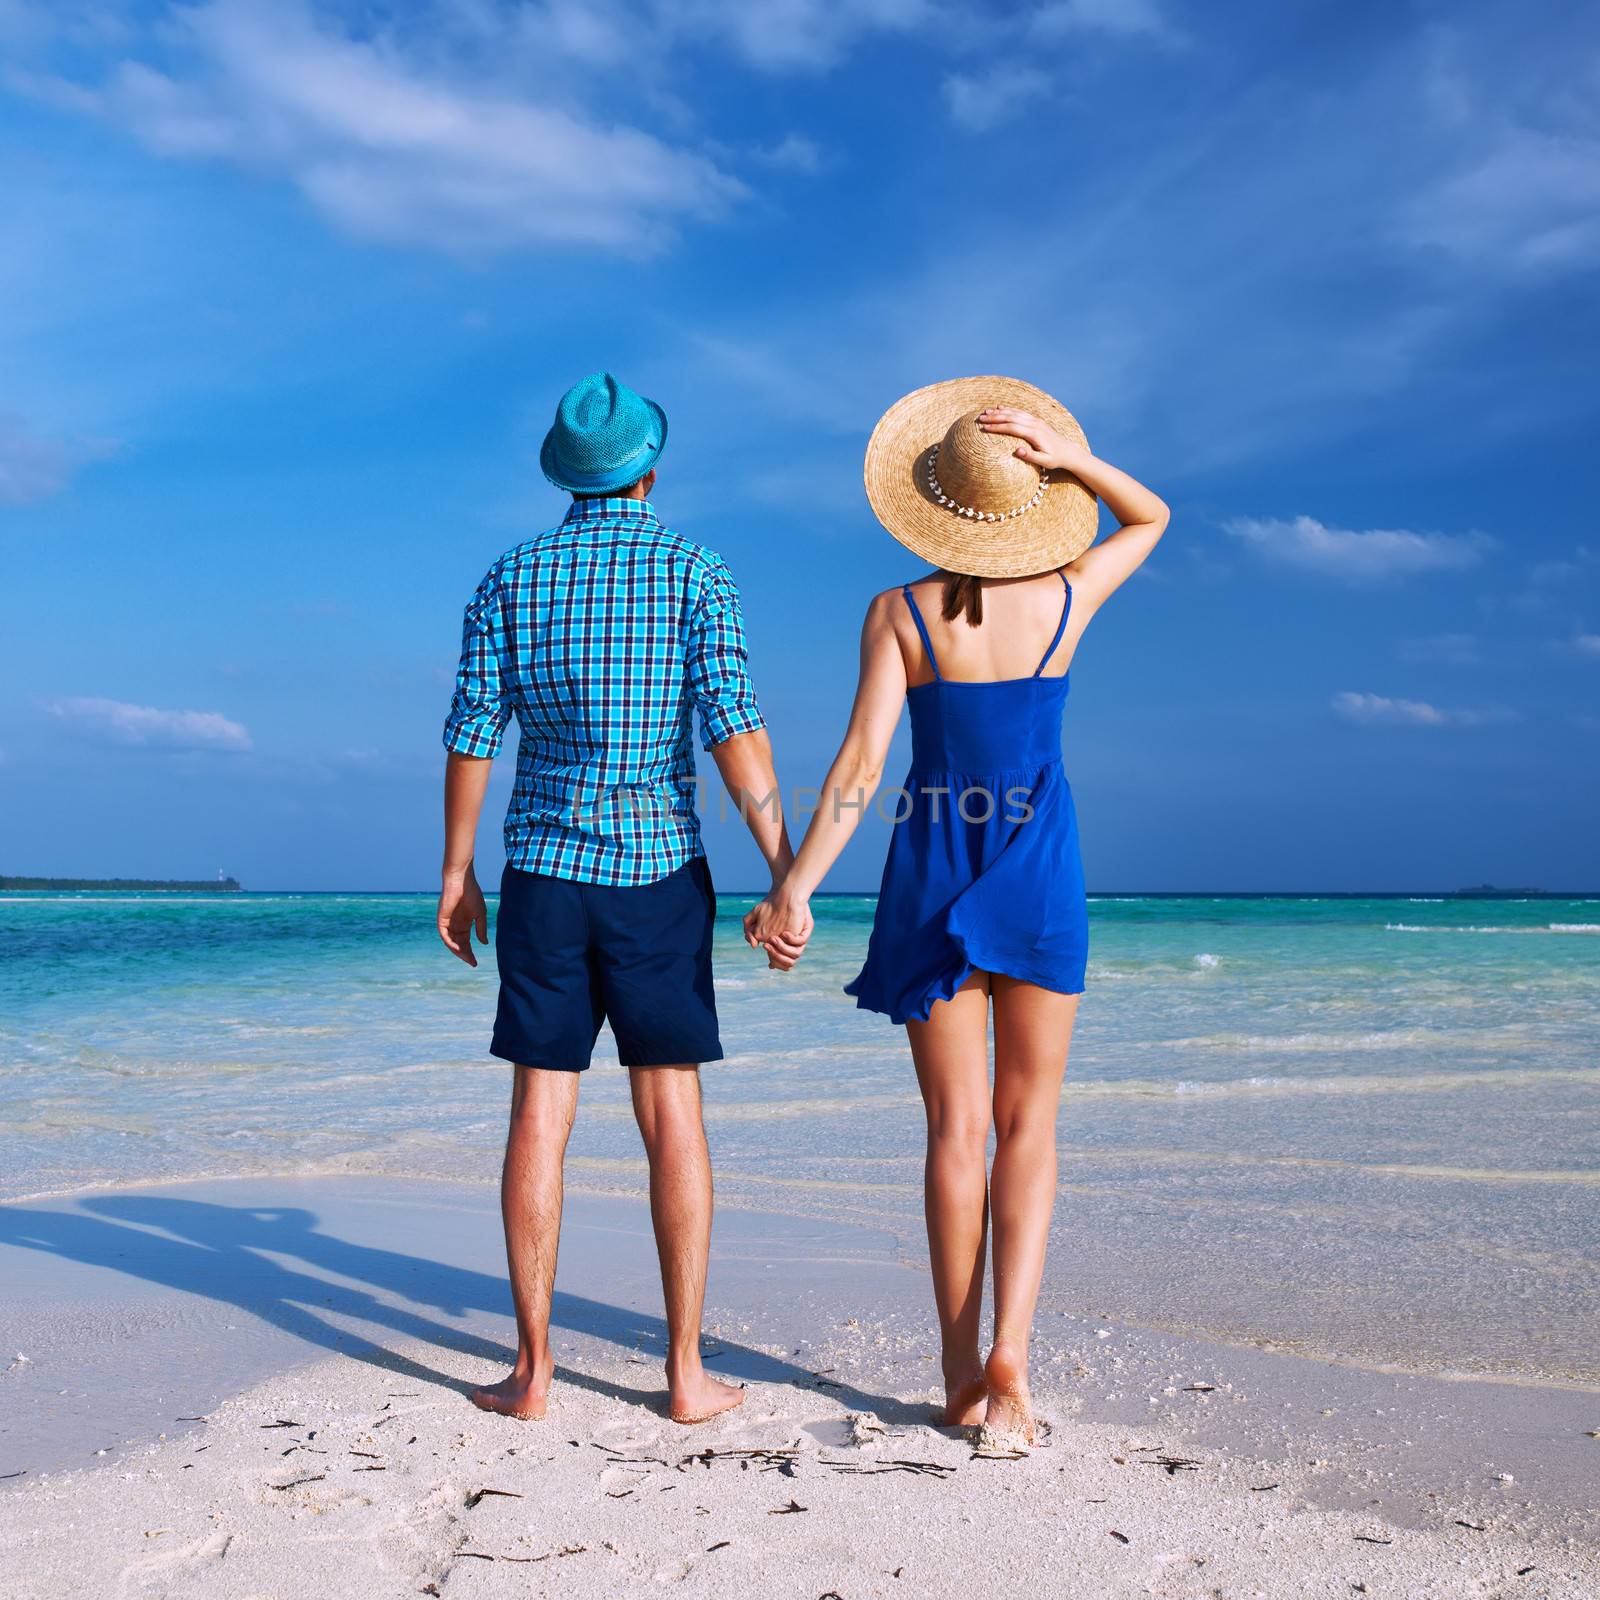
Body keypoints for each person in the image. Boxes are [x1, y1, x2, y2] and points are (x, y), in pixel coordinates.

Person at [745, 377, 1168, 1445]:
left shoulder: (897, 612)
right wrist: (1066, 457)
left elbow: (856, 766)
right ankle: (1011, 1363)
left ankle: (955, 1370)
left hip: (930, 862)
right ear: (1027, 500)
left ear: (930, 502)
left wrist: (793, 884)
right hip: (1038, 869)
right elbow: (1152, 513)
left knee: (954, 1129)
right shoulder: (1070, 595)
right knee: (1029, 1124)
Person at [438, 370, 805, 1425]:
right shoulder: (695, 568)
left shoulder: (509, 577)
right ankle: (685, 1374)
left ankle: (534, 1372)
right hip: (656, 876)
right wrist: (784, 865)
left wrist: (457, 873)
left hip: (544, 876)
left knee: (538, 1115)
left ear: (567, 474)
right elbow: (733, 726)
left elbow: (471, 736)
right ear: (649, 467)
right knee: (671, 1113)